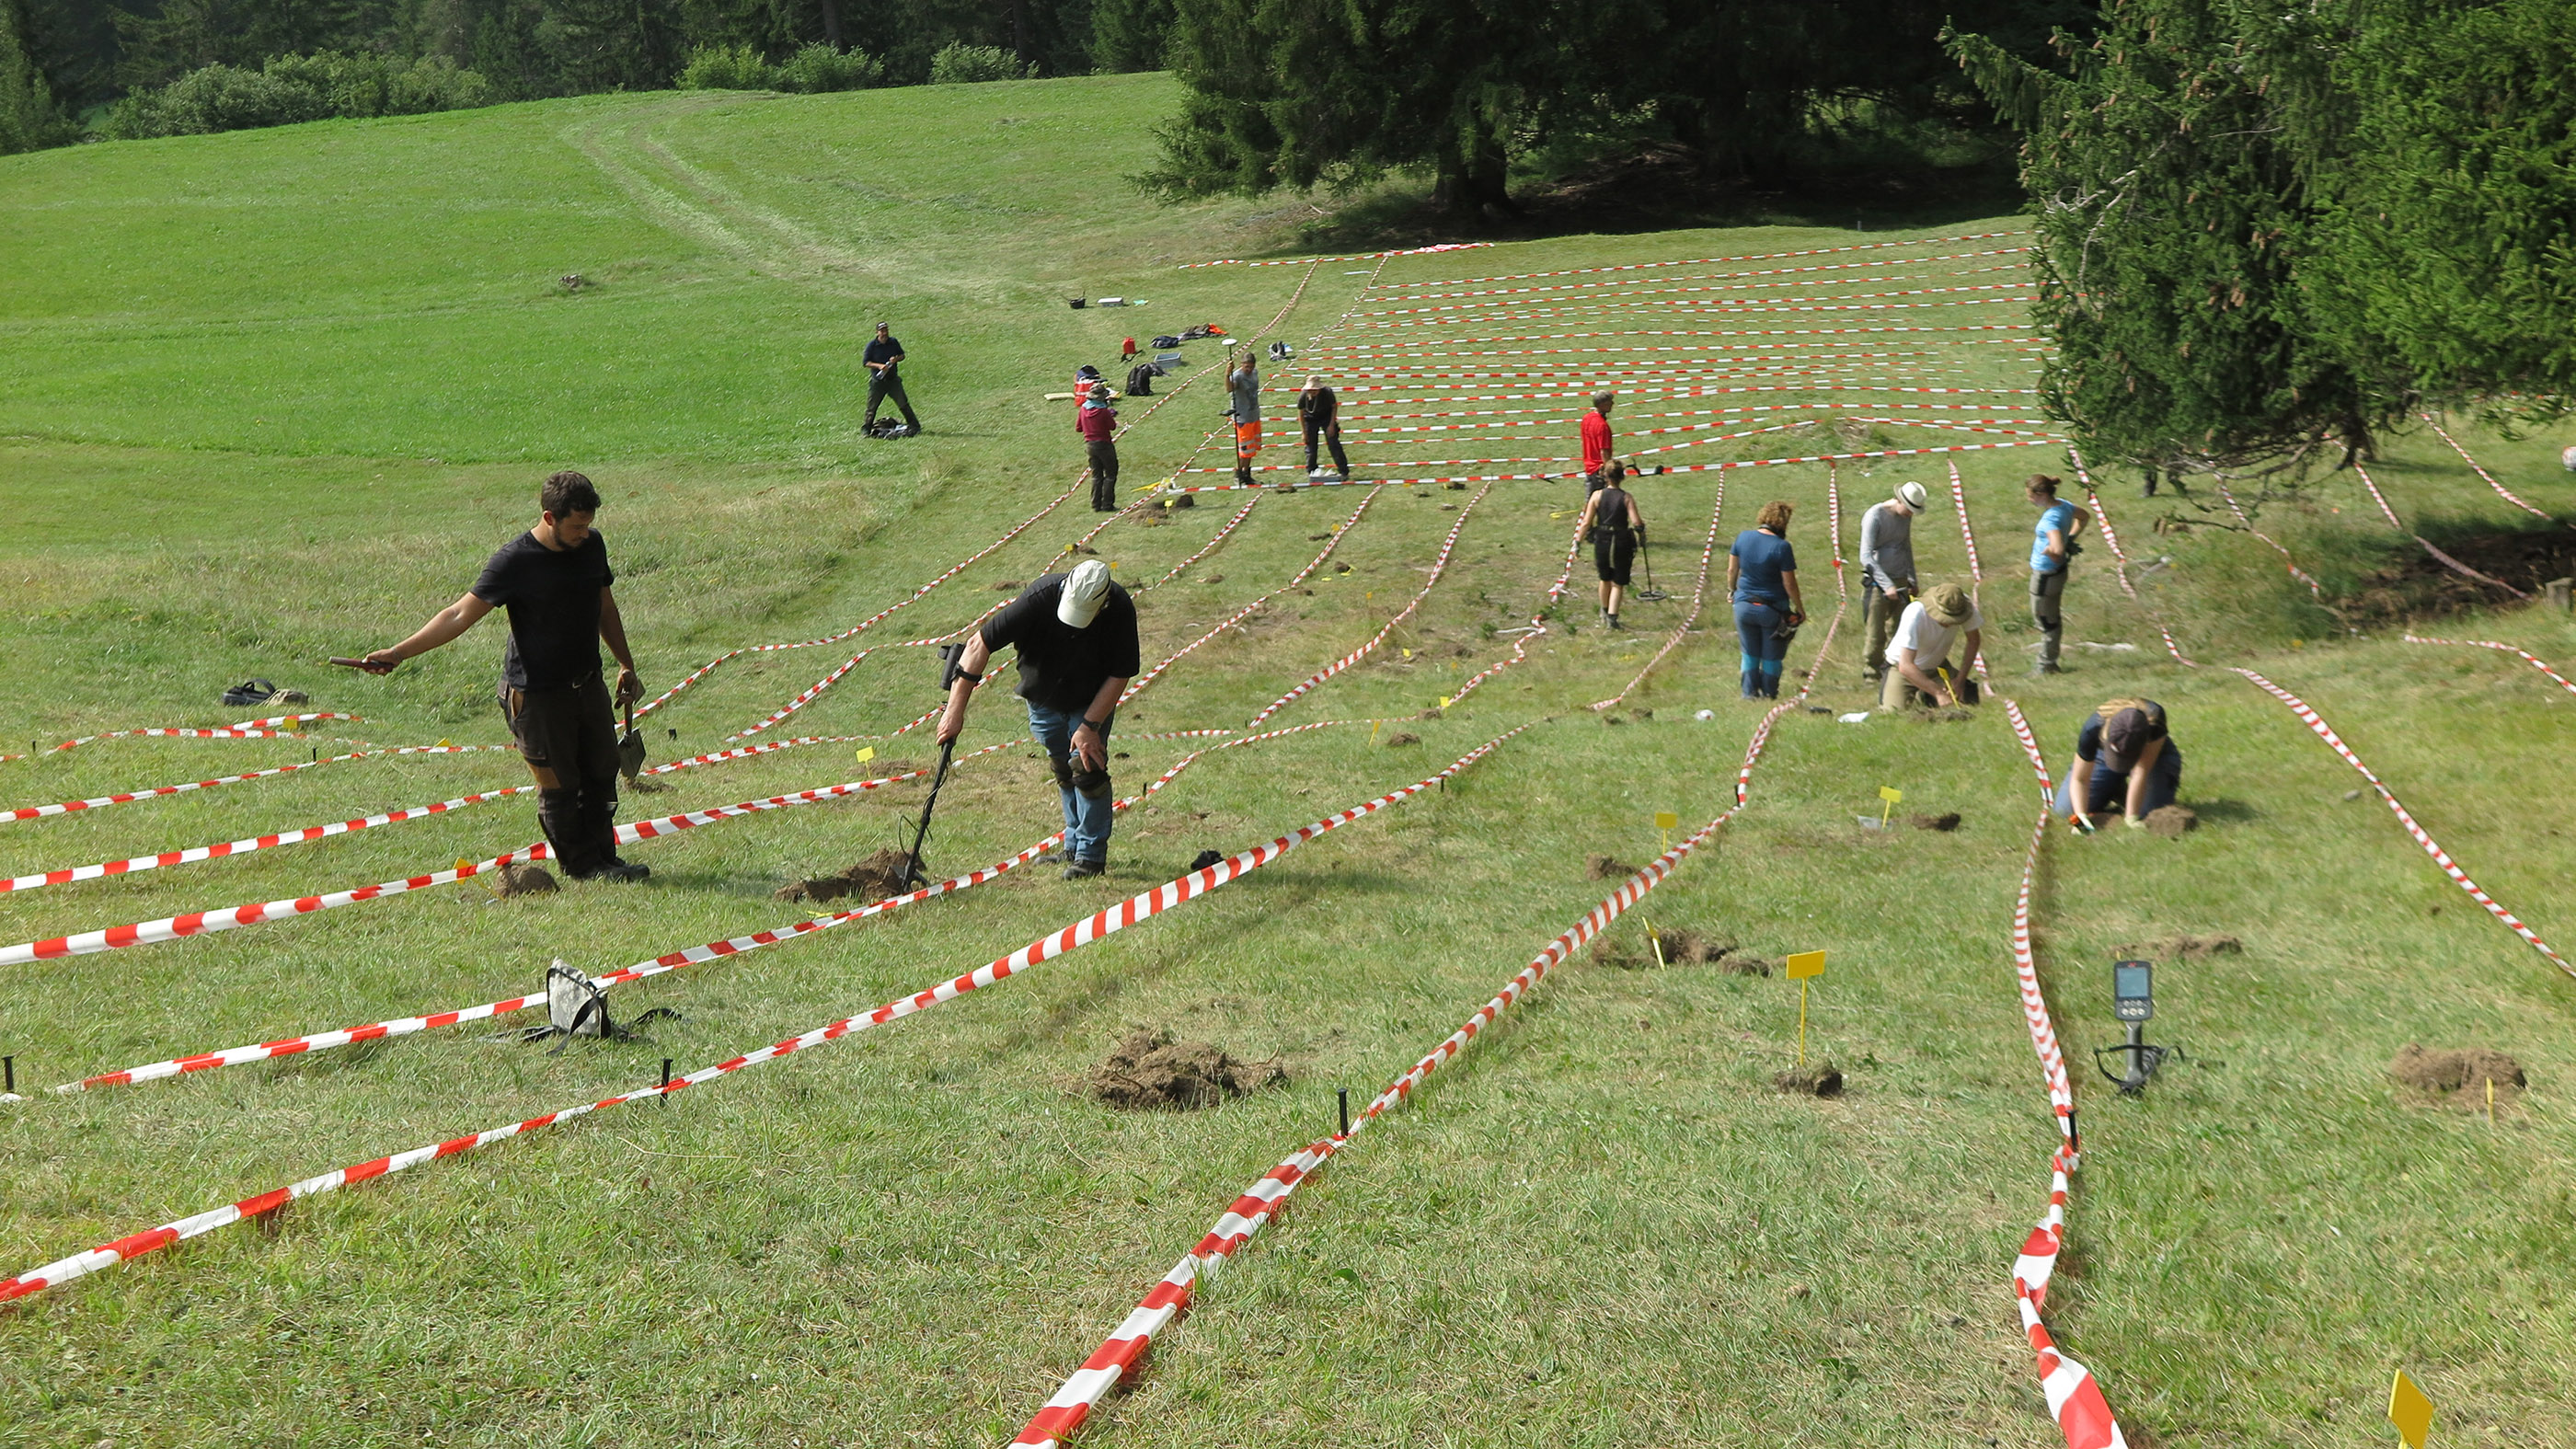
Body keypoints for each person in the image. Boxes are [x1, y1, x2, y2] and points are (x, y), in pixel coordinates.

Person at [359, 472, 649, 882]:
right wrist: (400, 652)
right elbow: (458, 614)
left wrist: (625, 663)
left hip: (588, 686)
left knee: (602, 773)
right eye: (576, 526)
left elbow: (605, 606)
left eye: (588, 525)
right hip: (537, 696)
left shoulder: (592, 546)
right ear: (549, 517)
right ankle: (583, 868)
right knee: (560, 786)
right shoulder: (515, 561)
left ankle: (606, 859)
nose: (585, 533)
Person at [936, 559, 1141, 880]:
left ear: (1102, 605)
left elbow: (1120, 673)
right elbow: (978, 645)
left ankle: (1090, 856)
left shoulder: (1120, 608)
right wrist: (954, 711)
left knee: (1086, 768)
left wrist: (1090, 727)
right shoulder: (1039, 597)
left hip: (1090, 700)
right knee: (1062, 767)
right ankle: (1073, 844)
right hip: (1042, 696)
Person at [2054, 698, 2182, 827]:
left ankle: (2117, 790)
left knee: (2149, 814)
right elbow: (2080, 779)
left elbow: (2140, 771)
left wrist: (2131, 817)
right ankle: (2114, 787)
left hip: (2154, 757)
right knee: (2065, 809)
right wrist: (2081, 816)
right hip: (2103, 756)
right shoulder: (2093, 727)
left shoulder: (2155, 720)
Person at [1726, 500, 1805, 699]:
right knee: (1772, 655)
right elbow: (1789, 584)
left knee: (1749, 653)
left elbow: (1732, 569)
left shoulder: (1743, 537)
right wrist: (1799, 608)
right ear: (1783, 523)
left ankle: (1749, 693)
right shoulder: (1782, 547)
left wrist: (1732, 590)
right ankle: (1769, 693)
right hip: (1772, 610)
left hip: (1743, 606)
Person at [1858, 480, 1929, 684]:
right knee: (1875, 632)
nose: (1910, 514)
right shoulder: (1874, 516)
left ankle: (1893, 670)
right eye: (1909, 509)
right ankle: (1871, 674)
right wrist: (1885, 584)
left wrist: (1911, 578)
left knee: (1900, 630)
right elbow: (1866, 556)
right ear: (1899, 500)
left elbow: (1906, 547)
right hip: (1877, 584)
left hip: (1901, 580)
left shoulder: (1905, 518)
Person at [1880, 581, 1984, 710]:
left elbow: (1973, 641)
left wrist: (1960, 680)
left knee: (1969, 701)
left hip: (1937, 666)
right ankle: (1923, 693)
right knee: (1893, 713)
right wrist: (1938, 693)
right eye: (1945, 619)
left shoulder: (1964, 606)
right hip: (1901, 668)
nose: (1949, 624)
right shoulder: (1914, 614)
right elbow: (1905, 665)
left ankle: (1925, 694)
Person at [2026, 473, 2089, 675]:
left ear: (2042, 494)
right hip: (2058, 573)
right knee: (2051, 616)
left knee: (2046, 620)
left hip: (2045, 575)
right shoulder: (2064, 506)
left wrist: (2052, 552)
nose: (2029, 499)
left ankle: (2046, 665)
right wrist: (2072, 536)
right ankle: (2049, 661)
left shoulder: (2049, 521)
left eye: (2031, 496)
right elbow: (2084, 516)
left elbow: (2058, 548)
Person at [1578, 461, 1645, 629]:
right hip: (1621, 540)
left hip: (1602, 539)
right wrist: (1641, 534)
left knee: (1604, 578)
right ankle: (1613, 620)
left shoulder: (1596, 496)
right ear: (1622, 476)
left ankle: (1604, 610)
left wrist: (1577, 541)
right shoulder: (1626, 497)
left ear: (1605, 476)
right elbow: (1637, 522)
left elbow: (1586, 522)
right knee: (1618, 582)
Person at [863, 321, 921, 436]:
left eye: (886, 330)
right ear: (877, 332)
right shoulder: (872, 346)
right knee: (871, 407)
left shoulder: (893, 342)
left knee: (903, 404)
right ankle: (866, 429)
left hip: (893, 381)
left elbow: (902, 355)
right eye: (882, 331)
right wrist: (879, 366)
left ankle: (915, 425)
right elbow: (866, 363)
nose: (884, 333)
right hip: (878, 382)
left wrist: (896, 359)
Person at [1298, 374, 1351, 481]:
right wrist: (1304, 432)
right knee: (1311, 447)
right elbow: (1301, 413)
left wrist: (1331, 425)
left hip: (1326, 417)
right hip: (1310, 420)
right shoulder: (1303, 396)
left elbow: (1334, 407)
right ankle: (1312, 471)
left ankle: (1343, 471)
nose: (1313, 392)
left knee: (1333, 444)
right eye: (1311, 390)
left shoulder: (1327, 393)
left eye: (1315, 390)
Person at [1077, 383, 1120, 512]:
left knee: (1096, 475)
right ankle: (1107, 504)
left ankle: (1095, 505)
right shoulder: (1103, 411)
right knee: (1111, 474)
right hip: (1104, 445)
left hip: (1090, 445)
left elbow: (1078, 428)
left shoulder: (1083, 409)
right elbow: (1112, 426)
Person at [1225, 350, 1262, 488]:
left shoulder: (1255, 373)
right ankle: (1239, 474)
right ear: (1241, 365)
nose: (1249, 369)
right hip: (1242, 418)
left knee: (1251, 449)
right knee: (1245, 449)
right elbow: (1229, 389)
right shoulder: (1237, 376)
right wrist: (1227, 374)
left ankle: (1247, 474)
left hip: (1254, 415)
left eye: (1251, 366)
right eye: (1246, 366)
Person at [1579, 392, 1616, 491]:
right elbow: (1604, 451)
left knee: (1590, 502)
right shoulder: (1602, 426)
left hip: (1589, 466)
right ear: (1602, 404)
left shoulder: (1586, 418)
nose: (1613, 403)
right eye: (1610, 402)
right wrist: (1609, 472)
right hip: (1599, 470)